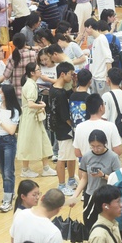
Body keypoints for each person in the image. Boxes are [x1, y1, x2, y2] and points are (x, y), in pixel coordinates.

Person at [71, 130, 121, 232]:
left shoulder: (113, 157)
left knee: (107, 227)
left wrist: (103, 175)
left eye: (99, 146)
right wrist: (74, 196)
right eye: (92, 146)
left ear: (105, 143)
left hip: (107, 197)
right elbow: (84, 178)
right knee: (89, 225)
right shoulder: (87, 156)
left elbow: (118, 179)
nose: (96, 149)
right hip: (90, 196)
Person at [16, 62, 56, 178]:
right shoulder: (31, 85)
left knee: (43, 139)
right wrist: (42, 106)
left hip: (32, 117)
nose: (40, 71)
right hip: (30, 117)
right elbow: (30, 104)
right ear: (32, 73)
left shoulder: (31, 83)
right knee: (27, 142)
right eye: (38, 69)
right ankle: (25, 169)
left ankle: (46, 167)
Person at [0, 84, 21, 212]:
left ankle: (7, 200)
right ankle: (10, 192)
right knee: (3, 171)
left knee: (8, 172)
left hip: (8, 141)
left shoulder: (15, 110)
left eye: (1, 92)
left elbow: (11, 131)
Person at [49, 62, 76, 196]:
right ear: (62, 74)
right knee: (63, 157)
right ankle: (61, 184)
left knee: (71, 156)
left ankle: (71, 180)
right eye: (71, 74)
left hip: (59, 127)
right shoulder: (58, 94)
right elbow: (65, 115)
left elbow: (67, 95)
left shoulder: (55, 89)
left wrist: (74, 86)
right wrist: (74, 125)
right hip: (63, 128)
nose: (72, 76)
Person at [0, 33, 37, 99]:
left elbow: (6, 75)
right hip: (31, 91)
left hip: (16, 92)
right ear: (25, 42)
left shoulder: (12, 57)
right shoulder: (33, 54)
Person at [85, 19, 113, 95]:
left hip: (101, 78)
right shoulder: (95, 40)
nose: (85, 31)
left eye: (86, 28)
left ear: (90, 27)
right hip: (94, 77)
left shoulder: (102, 39)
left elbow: (108, 59)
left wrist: (108, 76)